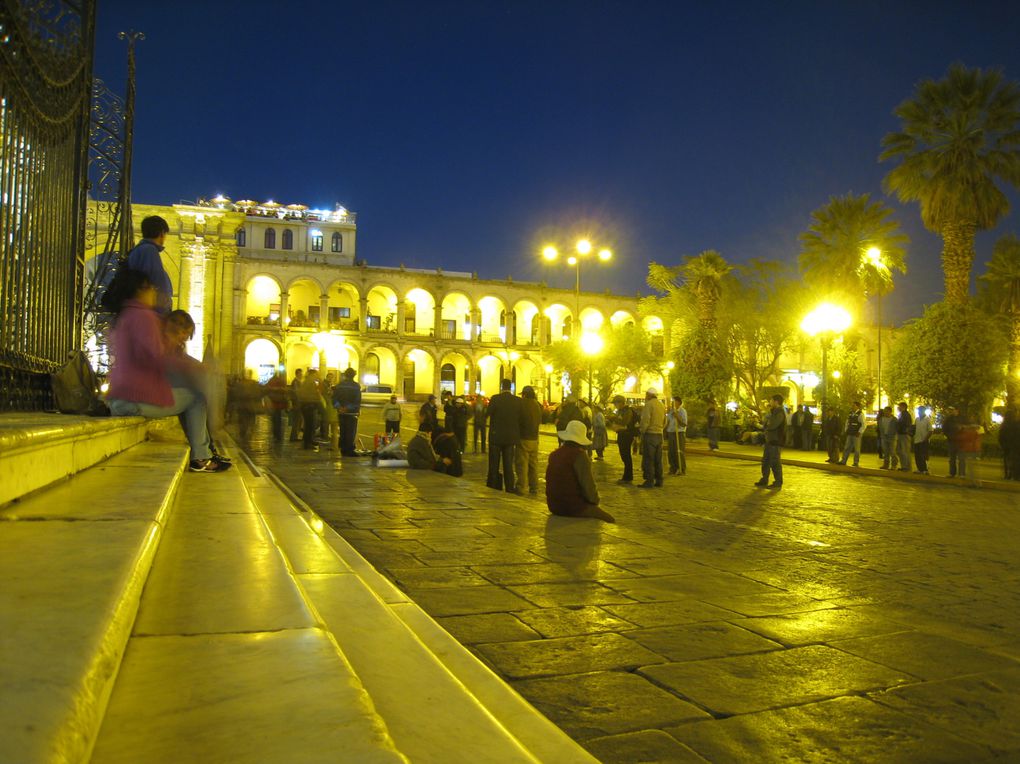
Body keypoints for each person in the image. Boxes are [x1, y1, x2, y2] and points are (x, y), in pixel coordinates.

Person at [104, 269, 229, 472]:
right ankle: (201, 457)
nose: (155, 292)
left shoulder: (126, 316)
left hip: (120, 397)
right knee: (196, 398)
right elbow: (155, 358)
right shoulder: (144, 317)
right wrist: (197, 368)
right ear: (141, 290)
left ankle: (203, 451)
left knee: (184, 397)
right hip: (132, 400)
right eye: (151, 288)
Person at [545, 420, 615, 523]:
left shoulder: (555, 454)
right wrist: (594, 502)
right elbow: (588, 485)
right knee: (609, 519)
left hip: (554, 506)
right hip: (573, 506)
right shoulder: (579, 456)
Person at [126, 215, 173, 315]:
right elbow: (157, 282)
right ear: (161, 233)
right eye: (165, 234)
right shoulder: (149, 251)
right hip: (152, 312)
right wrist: (164, 312)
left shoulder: (139, 250)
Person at [486, 378, 523, 492]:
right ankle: (509, 488)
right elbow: (521, 418)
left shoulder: (495, 399)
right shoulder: (517, 400)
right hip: (510, 438)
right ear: (511, 387)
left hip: (496, 437)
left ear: (501, 387)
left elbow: (487, 413)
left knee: (494, 465)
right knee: (508, 465)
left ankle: (492, 486)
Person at [516, 385, 543, 494]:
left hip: (524, 437)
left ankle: (521, 487)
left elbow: (518, 419)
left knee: (522, 464)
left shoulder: (523, 404)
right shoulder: (537, 405)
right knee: (533, 464)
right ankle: (534, 487)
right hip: (534, 438)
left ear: (525, 394)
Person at [755, 394, 786, 488]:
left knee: (775, 461)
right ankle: (764, 479)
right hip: (769, 440)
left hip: (775, 441)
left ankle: (778, 481)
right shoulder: (773, 412)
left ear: (776, 401)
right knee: (766, 461)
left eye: (771, 400)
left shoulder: (779, 412)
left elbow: (772, 425)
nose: (770, 402)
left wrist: (767, 423)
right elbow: (766, 423)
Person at [639, 387, 665, 488]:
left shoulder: (649, 405)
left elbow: (646, 420)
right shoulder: (662, 405)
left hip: (650, 434)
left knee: (649, 459)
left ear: (649, 395)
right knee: (658, 459)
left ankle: (649, 481)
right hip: (659, 434)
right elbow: (665, 421)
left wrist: (642, 431)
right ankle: (659, 480)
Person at [333, 367, 362, 456]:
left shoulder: (339, 385)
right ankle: (349, 449)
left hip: (341, 412)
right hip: (351, 413)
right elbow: (357, 400)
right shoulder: (356, 386)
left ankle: (343, 448)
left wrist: (340, 407)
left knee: (343, 430)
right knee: (350, 431)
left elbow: (334, 398)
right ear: (354, 375)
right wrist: (348, 408)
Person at [610, 395, 638, 484]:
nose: (615, 405)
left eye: (616, 403)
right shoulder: (621, 411)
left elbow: (625, 422)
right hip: (622, 434)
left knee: (626, 456)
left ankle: (628, 477)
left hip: (626, 435)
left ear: (621, 403)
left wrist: (614, 419)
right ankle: (627, 476)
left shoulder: (627, 411)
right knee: (624, 455)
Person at [234, 369, 263, 442]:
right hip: (248, 406)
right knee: (248, 421)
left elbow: (236, 394)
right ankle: (246, 433)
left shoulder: (240, 384)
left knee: (245, 421)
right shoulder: (254, 383)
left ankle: (244, 434)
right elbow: (259, 394)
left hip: (245, 406)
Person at [297, 368, 322, 450]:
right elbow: (309, 394)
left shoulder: (308, 382)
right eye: (316, 374)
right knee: (309, 425)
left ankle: (309, 440)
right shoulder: (309, 382)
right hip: (309, 405)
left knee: (310, 424)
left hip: (308, 405)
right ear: (312, 375)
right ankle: (307, 443)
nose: (317, 376)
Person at [839, 401, 866, 467]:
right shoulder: (850, 414)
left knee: (857, 449)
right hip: (850, 433)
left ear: (857, 406)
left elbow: (864, 425)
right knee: (847, 448)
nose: (852, 407)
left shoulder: (860, 414)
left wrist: (859, 432)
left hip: (856, 434)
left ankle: (856, 462)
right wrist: (846, 430)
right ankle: (843, 461)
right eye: (852, 405)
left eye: (854, 405)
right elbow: (847, 423)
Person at [264, 372, 289, 442]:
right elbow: (285, 391)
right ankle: (278, 436)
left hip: (273, 403)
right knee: (278, 420)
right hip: (279, 404)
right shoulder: (281, 381)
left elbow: (267, 390)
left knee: (275, 420)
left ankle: (276, 435)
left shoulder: (271, 381)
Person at [665, 397, 687, 476]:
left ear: (678, 402)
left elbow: (684, 424)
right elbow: (667, 423)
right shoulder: (671, 412)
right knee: (671, 452)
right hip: (671, 433)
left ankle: (681, 468)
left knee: (679, 451)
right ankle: (673, 468)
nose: (671, 403)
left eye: (673, 402)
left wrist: (677, 417)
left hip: (679, 433)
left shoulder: (682, 411)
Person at [942, 406, 961, 477]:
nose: (952, 411)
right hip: (951, 440)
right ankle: (952, 473)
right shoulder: (949, 419)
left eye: (953, 410)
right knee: (952, 458)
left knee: (961, 458)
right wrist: (948, 435)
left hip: (960, 441)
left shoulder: (961, 418)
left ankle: (962, 474)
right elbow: (944, 428)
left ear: (957, 410)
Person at [913, 406, 932, 474]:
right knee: (917, 456)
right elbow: (915, 429)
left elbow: (930, 431)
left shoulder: (927, 419)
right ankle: (919, 469)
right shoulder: (917, 419)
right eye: (918, 410)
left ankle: (925, 469)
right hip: (917, 440)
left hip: (924, 440)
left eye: (920, 410)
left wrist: (925, 439)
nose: (919, 412)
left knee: (923, 456)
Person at [895, 401, 913, 472]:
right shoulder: (902, 414)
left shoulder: (905, 414)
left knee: (904, 451)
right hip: (902, 434)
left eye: (899, 406)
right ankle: (904, 466)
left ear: (903, 407)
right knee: (901, 451)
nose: (898, 408)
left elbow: (906, 424)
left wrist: (899, 425)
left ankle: (906, 467)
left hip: (904, 435)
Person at [288, 369, 304, 441]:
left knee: (299, 420)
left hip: (298, 403)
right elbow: (296, 393)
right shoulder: (295, 382)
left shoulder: (298, 382)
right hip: (297, 404)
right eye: (300, 374)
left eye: (301, 374)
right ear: (297, 374)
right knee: (297, 420)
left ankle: (295, 436)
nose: (301, 375)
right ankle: (293, 437)